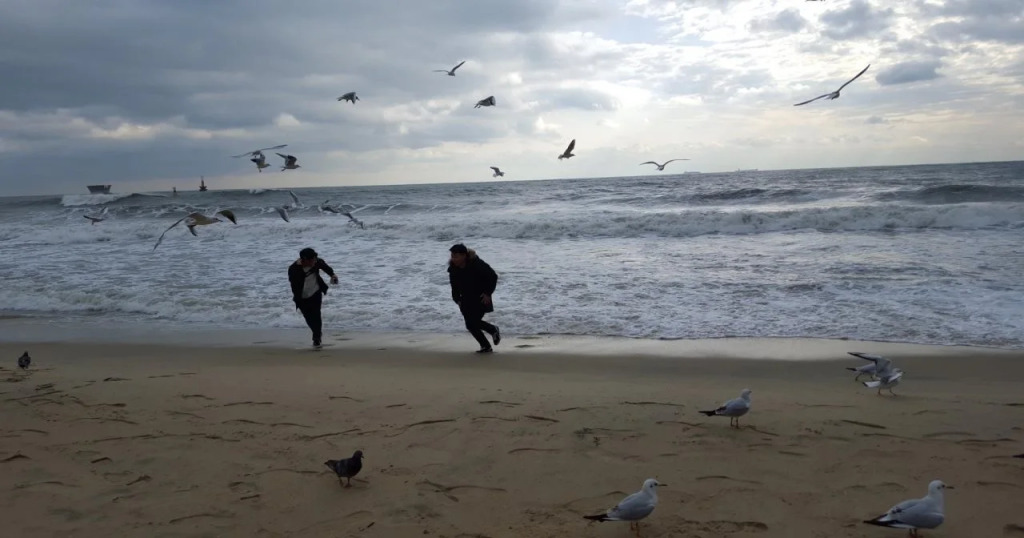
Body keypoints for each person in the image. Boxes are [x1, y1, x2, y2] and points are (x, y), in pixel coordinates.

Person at [447, 243, 500, 353]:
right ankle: (486, 346)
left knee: (472, 322)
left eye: (456, 256)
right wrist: (457, 299)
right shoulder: (453, 268)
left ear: (464, 255)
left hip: (481, 297)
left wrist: (487, 293)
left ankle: (492, 330)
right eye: (452, 256)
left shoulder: (477, 264)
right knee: (470, 325)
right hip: (465, 299)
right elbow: (454, 286)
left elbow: (493, 276)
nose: (453, 259)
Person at [288, 247, 339, 349]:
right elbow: (294, 287)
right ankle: (316, 332)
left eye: (315, 259)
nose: (315, 262)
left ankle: (317, 337)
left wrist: (332, 275)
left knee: (316, 314)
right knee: (309, 317)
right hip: (302, 297)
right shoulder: (293, 270)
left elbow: (324, 266)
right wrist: (298, 299)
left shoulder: (316, 262)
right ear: (305, 260)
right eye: (312, 260)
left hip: (316, 292)